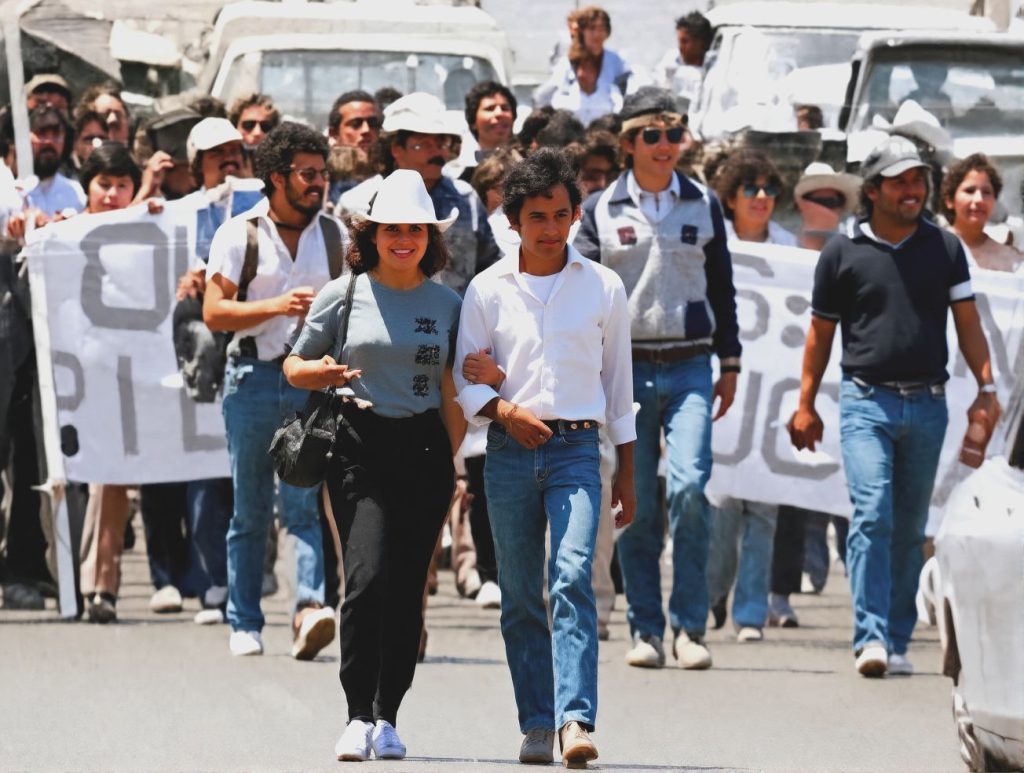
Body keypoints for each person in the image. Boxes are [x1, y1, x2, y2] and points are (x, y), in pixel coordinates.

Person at [788, 136, 1001, 677]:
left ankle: (898, 638)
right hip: (866, 403)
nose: (913, 190)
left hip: (929, 406)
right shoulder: (841, 252)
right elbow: (819, 335)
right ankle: (871, 637)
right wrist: (805, 403)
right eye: (900, 181)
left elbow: (968, 323)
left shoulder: (945, 248)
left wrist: (987, 388)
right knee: (872, 514)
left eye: (918, 180)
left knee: (910, 529)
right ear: (873, 190)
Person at [455, 148, 635, 768]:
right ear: (513, 221)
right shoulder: (486, 289)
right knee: (520, 595)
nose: (551, 228)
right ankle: (536, 722)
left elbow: (619, 389)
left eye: (561, 214)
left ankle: (575, 720)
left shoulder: (604, 286)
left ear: (576, 214)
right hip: (508, 452)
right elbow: (466, 382)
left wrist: (628, 473)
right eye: (537, 216)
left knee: (572, 575)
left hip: (579, 449)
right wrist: (506, 411)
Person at [286, 169, 464, 761]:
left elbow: (452, 389)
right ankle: (357, 715)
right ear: (372, 235)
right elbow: (294, 366)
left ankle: (388, 717)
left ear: (429, 237)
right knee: (366, 580)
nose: (403, 239)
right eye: (392, 229)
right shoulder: (343, 294)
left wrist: (450, 460)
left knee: (407, 590)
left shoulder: (449, 304)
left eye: (415, 229)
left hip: (426, 453)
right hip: (357, 448)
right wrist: (323, 373)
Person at [576, 87, 741, 671]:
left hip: (692, 363)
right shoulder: (598, 208)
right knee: (635, 502)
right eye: (653, 134)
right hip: (627, 368)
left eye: (675, 133)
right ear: (629, 143)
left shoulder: (704, 202)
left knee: (692, 488)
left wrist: (731, 363)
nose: (666, 144)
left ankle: (690, 628)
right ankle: (645, 628)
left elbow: (722, 287)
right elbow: (582, 293)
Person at [203, 122, 346, 658]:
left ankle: (308, 610)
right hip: (252, 380)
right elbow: (214, 312)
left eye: (322, 173)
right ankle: (244, 620)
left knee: (304, 504)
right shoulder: (237, 234)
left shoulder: (334, 235)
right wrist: (276, 306)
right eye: (307, 174)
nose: (318, 182)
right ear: (276, 178)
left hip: (310, 382)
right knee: (252, 509)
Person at [70, 143, 144, 622]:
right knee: (70, 479)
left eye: (122, 184)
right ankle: (68, 580)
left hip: (122, 372)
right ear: (87, 188)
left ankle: (104, 582)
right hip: (66, 374)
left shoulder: (149, 237)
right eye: (104, 185)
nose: (113, 194)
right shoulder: (62, 233)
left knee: (112, 478)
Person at [339, 92, 501, 297]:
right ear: (396, 149)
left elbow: (490, 264)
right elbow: (350, 276)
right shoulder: (359, 203)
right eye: (423, 144)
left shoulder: (465, 198)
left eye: (441, 143)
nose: (436, 153)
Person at [536, 6, 631, 110]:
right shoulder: (567, 63)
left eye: (602, 28)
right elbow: (546, 97)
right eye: (592, 28)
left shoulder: (616, 62)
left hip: (608, 119)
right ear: (581, 32)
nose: (597, 34)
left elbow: (627, 95)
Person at [941, 153, 1022, 273]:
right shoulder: (930, 249)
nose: (979, 199)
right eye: (969, 191)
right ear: (949, 200)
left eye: (986, 192)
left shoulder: (1012, 261)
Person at [713, 149, 797, 246]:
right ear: (731, 200)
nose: (762, 196)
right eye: (751, 189)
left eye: (769, 190)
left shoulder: (790, 245)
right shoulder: (710, 240)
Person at [456, 81, 517, 182]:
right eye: (490, 109)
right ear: (473, 122)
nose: (499, 113)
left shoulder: (529, 164)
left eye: (505, 108)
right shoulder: (461, 176)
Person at [326, 90, 380, 204]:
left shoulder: (392, 177)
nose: (366, 130)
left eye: (373, 124)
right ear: (333, 133)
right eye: (355, 124)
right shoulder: (322, 179)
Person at [550, 44, 623, 127]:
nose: (584, 74)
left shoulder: (612, 94)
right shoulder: (562, 96)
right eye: (581, 68)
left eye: (590, 69)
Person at [793, 161, 861, 251]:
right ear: (801, 206)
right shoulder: (784, 244)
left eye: (834, 202)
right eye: (821, 201)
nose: (826, 209)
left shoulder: (855, 240)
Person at [656, 12, 713, 104]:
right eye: (679, 41)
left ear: (701, 42)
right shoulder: (671, 61)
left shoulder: (714, 66)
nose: (680, 46)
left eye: (685, 41)